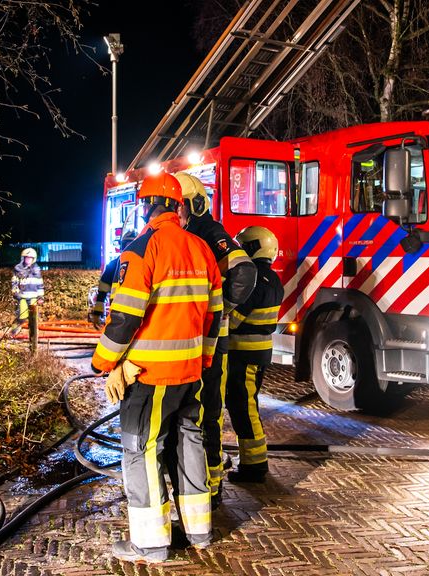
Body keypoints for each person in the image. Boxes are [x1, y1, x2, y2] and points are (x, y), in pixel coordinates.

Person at [91, 172, 223, 563]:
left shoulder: (141, 249)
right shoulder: (201, 249)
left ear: (145, 206)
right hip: (191, 372)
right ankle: (199, 531)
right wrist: (204, 360)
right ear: (179, 207)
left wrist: (103, 363)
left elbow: (125, 317)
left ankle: (150, 543)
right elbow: (215, 316)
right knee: (189, 442)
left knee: (141, 450)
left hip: (149, 376)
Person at [175, 172, 256, 505]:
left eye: (179, 205)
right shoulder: (185, 234)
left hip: (212, 340)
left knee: (208, 411)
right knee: (190, 412)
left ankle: (212, 485)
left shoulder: (210, 232)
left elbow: (244, 271)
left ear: (195, 204)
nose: (174, 211)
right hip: (189, 340)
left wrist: (222, 308)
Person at [225, 226, 284, 483]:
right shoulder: (273, 279)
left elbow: (232, 320)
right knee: (247, 404)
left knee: (244, 407)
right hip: (259, 351)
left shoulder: (253, 279)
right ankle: (252, 460)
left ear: (252, 248)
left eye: (242, 247)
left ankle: (255, 465)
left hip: (243, 352)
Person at [88, 229, 136, 329]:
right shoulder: (113, 266)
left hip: (136, 318)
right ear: (122, 247)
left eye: (133, 245)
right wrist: (97, 313)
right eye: (128, 245)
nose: (130, 249)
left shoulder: (145, 267)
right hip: (118, 318)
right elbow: (102, 292)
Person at [10, 247, 44, 335]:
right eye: (27, 258)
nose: (28, 260)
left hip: (33, 298)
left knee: (34, 318)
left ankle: (33, 336)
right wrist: (15, 293)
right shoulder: (18, 269)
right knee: (21, 317)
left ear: (33, 259)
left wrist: (41, 296)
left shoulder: (36, 270)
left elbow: (40, 284)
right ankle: (13, 333)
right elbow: (14, 282)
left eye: (30, 258)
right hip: (22, 297)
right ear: (23, 258)